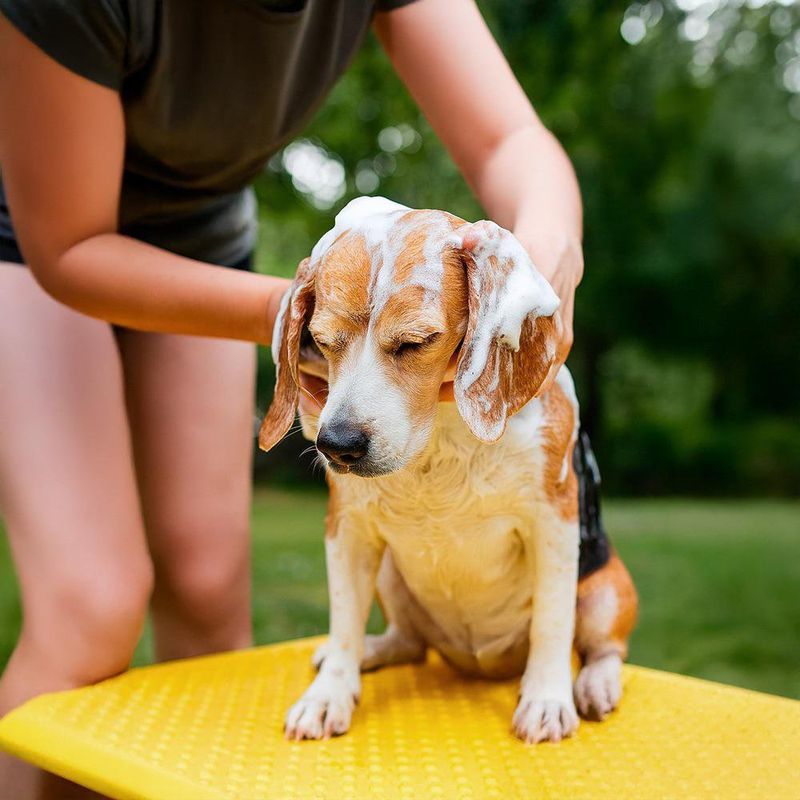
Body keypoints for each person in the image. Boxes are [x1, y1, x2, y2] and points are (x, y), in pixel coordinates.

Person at [0, 1, 583, 796]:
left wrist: (545, 259)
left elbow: (508, 138)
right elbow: (69, 248)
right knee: (89, 608)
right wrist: (305, 317)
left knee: (207, 587)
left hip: (201, 232)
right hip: (34, 234)